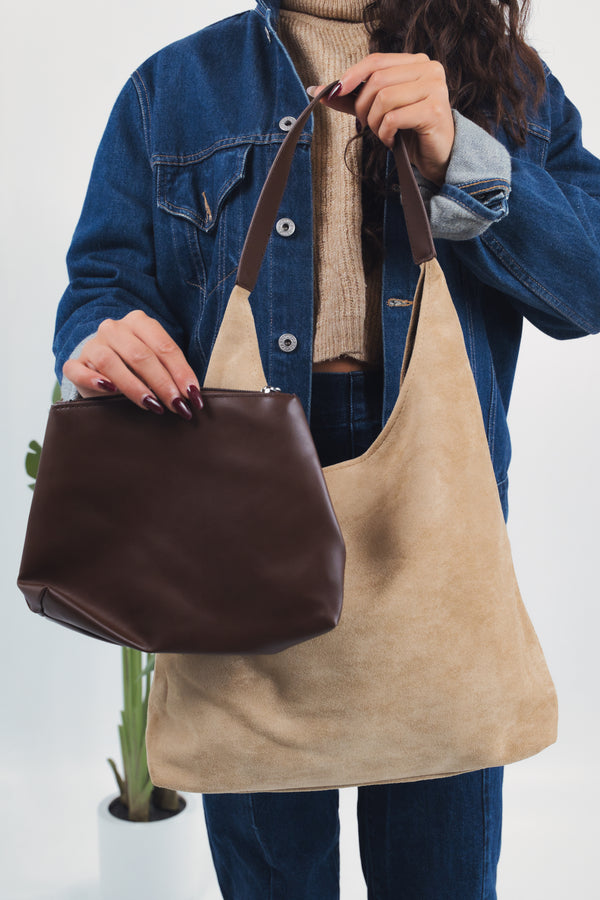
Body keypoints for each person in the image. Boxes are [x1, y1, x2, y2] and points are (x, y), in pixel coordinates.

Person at [52, 0, 600, 897]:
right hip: (236, 508)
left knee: (442, 877)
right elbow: (103, 285)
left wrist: (463, 151)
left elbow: (590, 285)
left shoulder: (504, 81)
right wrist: (102, 334)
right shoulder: (172, 88)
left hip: (436, 514)